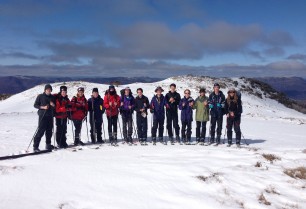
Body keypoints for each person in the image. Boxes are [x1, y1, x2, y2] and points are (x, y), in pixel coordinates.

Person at [33, 84, 55, 152]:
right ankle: (35, 146)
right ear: (45, 90)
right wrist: (43, 107)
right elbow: (35, 105)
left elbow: (55, 106)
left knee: (49, 132)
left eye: (50, 89)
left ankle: (48, 144)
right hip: (43, 116)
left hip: (50, 116)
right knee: (40, 131)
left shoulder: (52, 97)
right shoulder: (40, 96)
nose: (49, 90)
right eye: (47, 89)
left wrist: (53, 105)